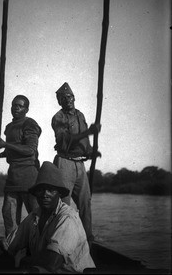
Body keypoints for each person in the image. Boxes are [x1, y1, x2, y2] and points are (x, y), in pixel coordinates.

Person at [0, 161, 96, 273]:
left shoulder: (67, 218)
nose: (45, 194)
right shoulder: (35, 216)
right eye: (41, 189)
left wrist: (22, 261)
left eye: (51, 190)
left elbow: (52, 263)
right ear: (35, 193)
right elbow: (5, 246)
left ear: (59, 193)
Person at [51, 82, 101, 246]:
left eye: (70, 96)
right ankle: (63, 240)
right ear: (59, 101)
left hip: (80, 165)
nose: (67, 100)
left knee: (85, 201)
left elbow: (84, 141)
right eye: (63, 98)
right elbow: (65, 140)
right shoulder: (58, 117)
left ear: (74, 98)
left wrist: (91, 151)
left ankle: (88, 239)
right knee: (64, 206)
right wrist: (89, 132)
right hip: (64, 163)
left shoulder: (80, 115)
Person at [0, 94, 42, 237]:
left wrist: (5, 144)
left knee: (36, 217)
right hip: (13, 177)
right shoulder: (9, 127)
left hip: (29, 177)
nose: (16, 108)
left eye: (20, 106)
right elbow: (12, 149)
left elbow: (30, 149)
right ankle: (12, 246)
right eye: (14, 105)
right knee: (9, 216)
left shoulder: (30, 124)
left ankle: (36, 246)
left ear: (26, 109)